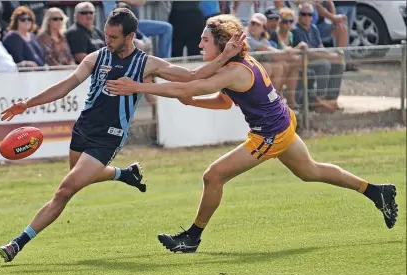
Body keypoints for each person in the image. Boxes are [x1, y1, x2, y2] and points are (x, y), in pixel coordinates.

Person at [106, 14, 398, 253]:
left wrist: (139, 87)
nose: (199, 43)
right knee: (311, 171)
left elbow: (187, 86)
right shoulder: (236, 64)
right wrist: (193, 101)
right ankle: (376, 192)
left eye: (205, 40)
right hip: (283, 123)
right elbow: (222, 101)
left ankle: (192, 237)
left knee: (213, 175)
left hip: (270, 135)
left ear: (221, 43)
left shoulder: (233, 71)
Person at [0, 8, 246, 263]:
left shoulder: (146, 63)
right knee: (78, 178)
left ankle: (18, 243)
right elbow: (65, 86)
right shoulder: (96, 57)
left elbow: (192, 76)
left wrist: (225, 55)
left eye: (113, 37)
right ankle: (124, 174)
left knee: (64, 191)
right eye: (106, 35)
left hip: (109, 137)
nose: (107, 41)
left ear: (130, 36)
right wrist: (26, 104)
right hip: (83, 129)